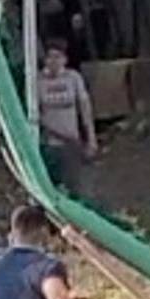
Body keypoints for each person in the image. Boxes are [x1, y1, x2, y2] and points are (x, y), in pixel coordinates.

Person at [36, 41, 97, 205]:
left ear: (65, 59)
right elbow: (34, 113)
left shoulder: (73, 78)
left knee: (76, 186)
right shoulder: (38, 81)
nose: (53, 61)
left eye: (58, 57)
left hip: (72, 141)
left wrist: (91, 138)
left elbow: (84, 108)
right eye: (50, 57)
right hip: (50, 142)